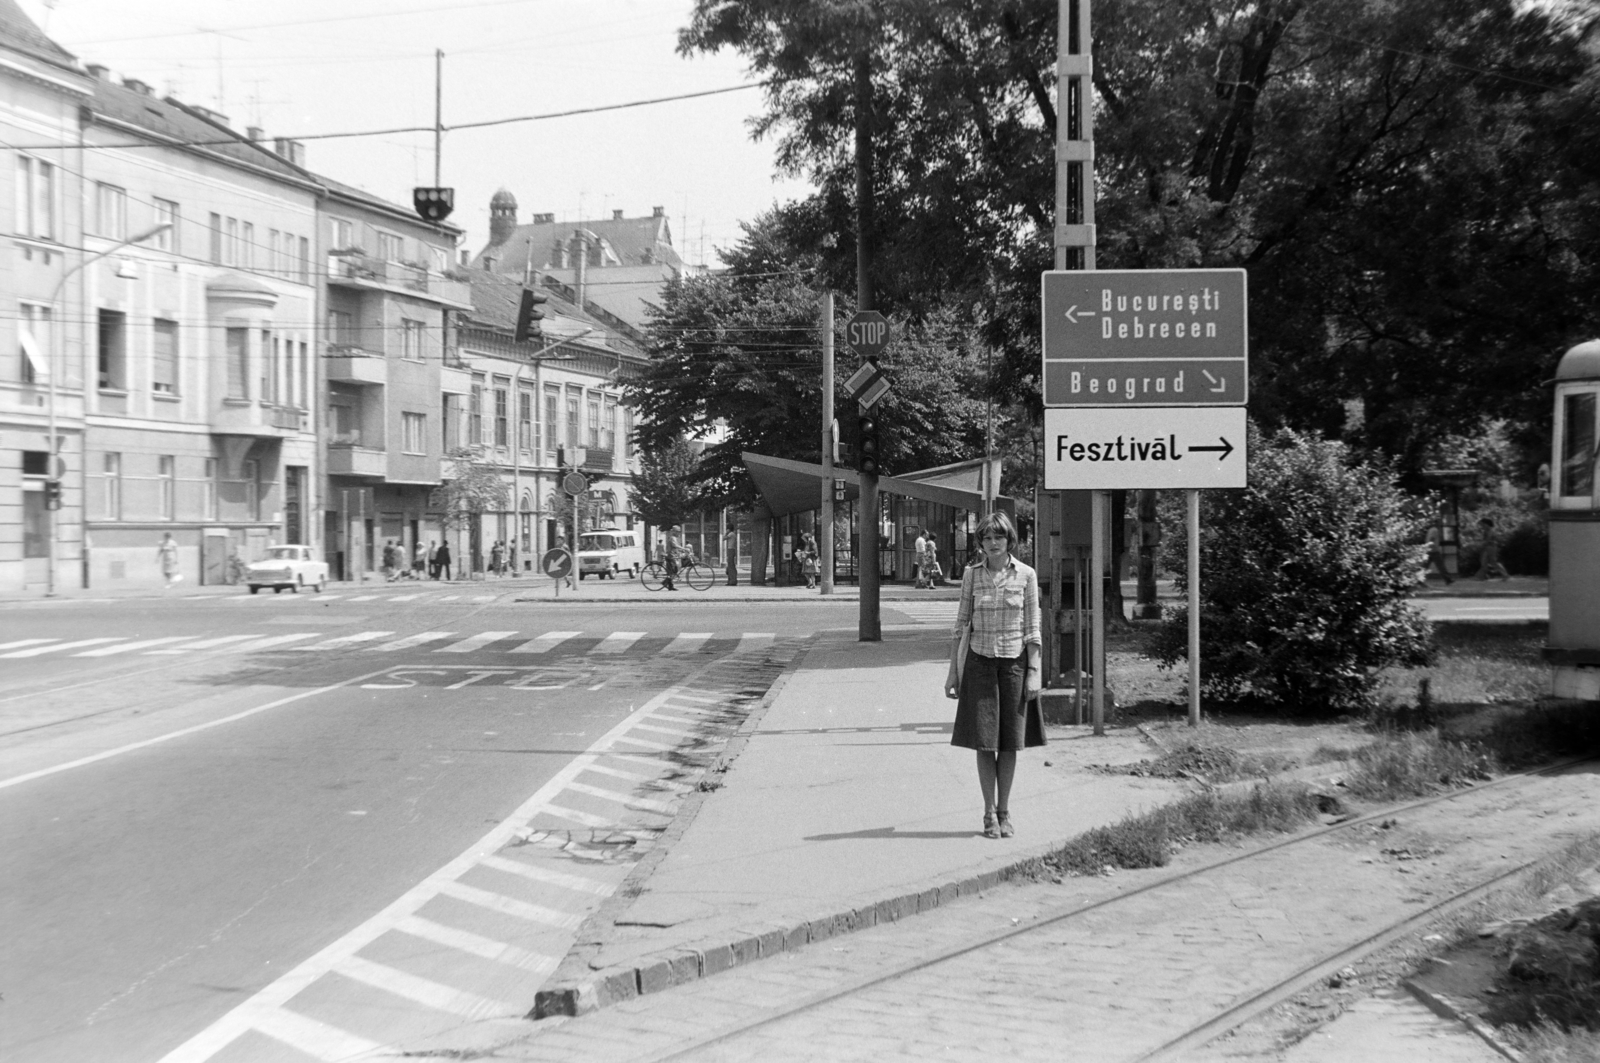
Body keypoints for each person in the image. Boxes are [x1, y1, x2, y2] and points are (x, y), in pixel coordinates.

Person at [944, 511, 1044, 840]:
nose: (992, 543)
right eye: (986, 538)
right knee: (984, 744)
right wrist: (953, 674)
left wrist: (1033, 672)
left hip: (1014, 666)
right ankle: (988, 813)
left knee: (1011, 743)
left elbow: (1033, 629)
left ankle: (1005, 811)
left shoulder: (1026, 575)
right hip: (979, 664)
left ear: (1009, 539)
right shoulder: (972, 576)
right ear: (980, 543)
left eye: (998, 537)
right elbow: (960, 626)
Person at [662, 525, 683, 591]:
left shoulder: (674, 538)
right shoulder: (672, 538)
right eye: (677, 532)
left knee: (672, 572)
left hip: (673, 555)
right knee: (674, 570)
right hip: (670, 556)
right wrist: (684, 548)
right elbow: (675, 545)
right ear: (674, 532)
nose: (678, 533)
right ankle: (665, 582)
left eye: (679, 532)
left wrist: (681, 550)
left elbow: (676, 547)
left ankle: (670, 586)